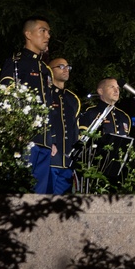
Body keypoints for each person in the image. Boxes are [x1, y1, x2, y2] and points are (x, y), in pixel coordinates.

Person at [0, 16, 55, 193]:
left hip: (44, 141)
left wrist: (51, 139)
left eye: (49, 32)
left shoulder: (45, 69)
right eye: (42, 31)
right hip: (24, 139)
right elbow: (4, 97)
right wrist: (14, 132)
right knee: (18, 192)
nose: (47, 36)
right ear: (28, 34)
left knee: (39, 197)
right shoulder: (17, 63)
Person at [48, 58, 81, 193]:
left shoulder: (73, 99)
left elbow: (75, 128)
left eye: (68, 66)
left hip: (68, 161)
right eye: (61, 66)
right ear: (50, 70)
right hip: (50, 159)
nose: (66, 69)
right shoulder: (45, 94)